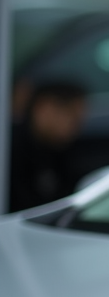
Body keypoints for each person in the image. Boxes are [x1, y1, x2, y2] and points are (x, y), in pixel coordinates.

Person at [8, 79, 88, 211]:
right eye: (72, 115)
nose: (77, 125)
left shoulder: (61, 150)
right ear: (44, 108)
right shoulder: (13, 152)